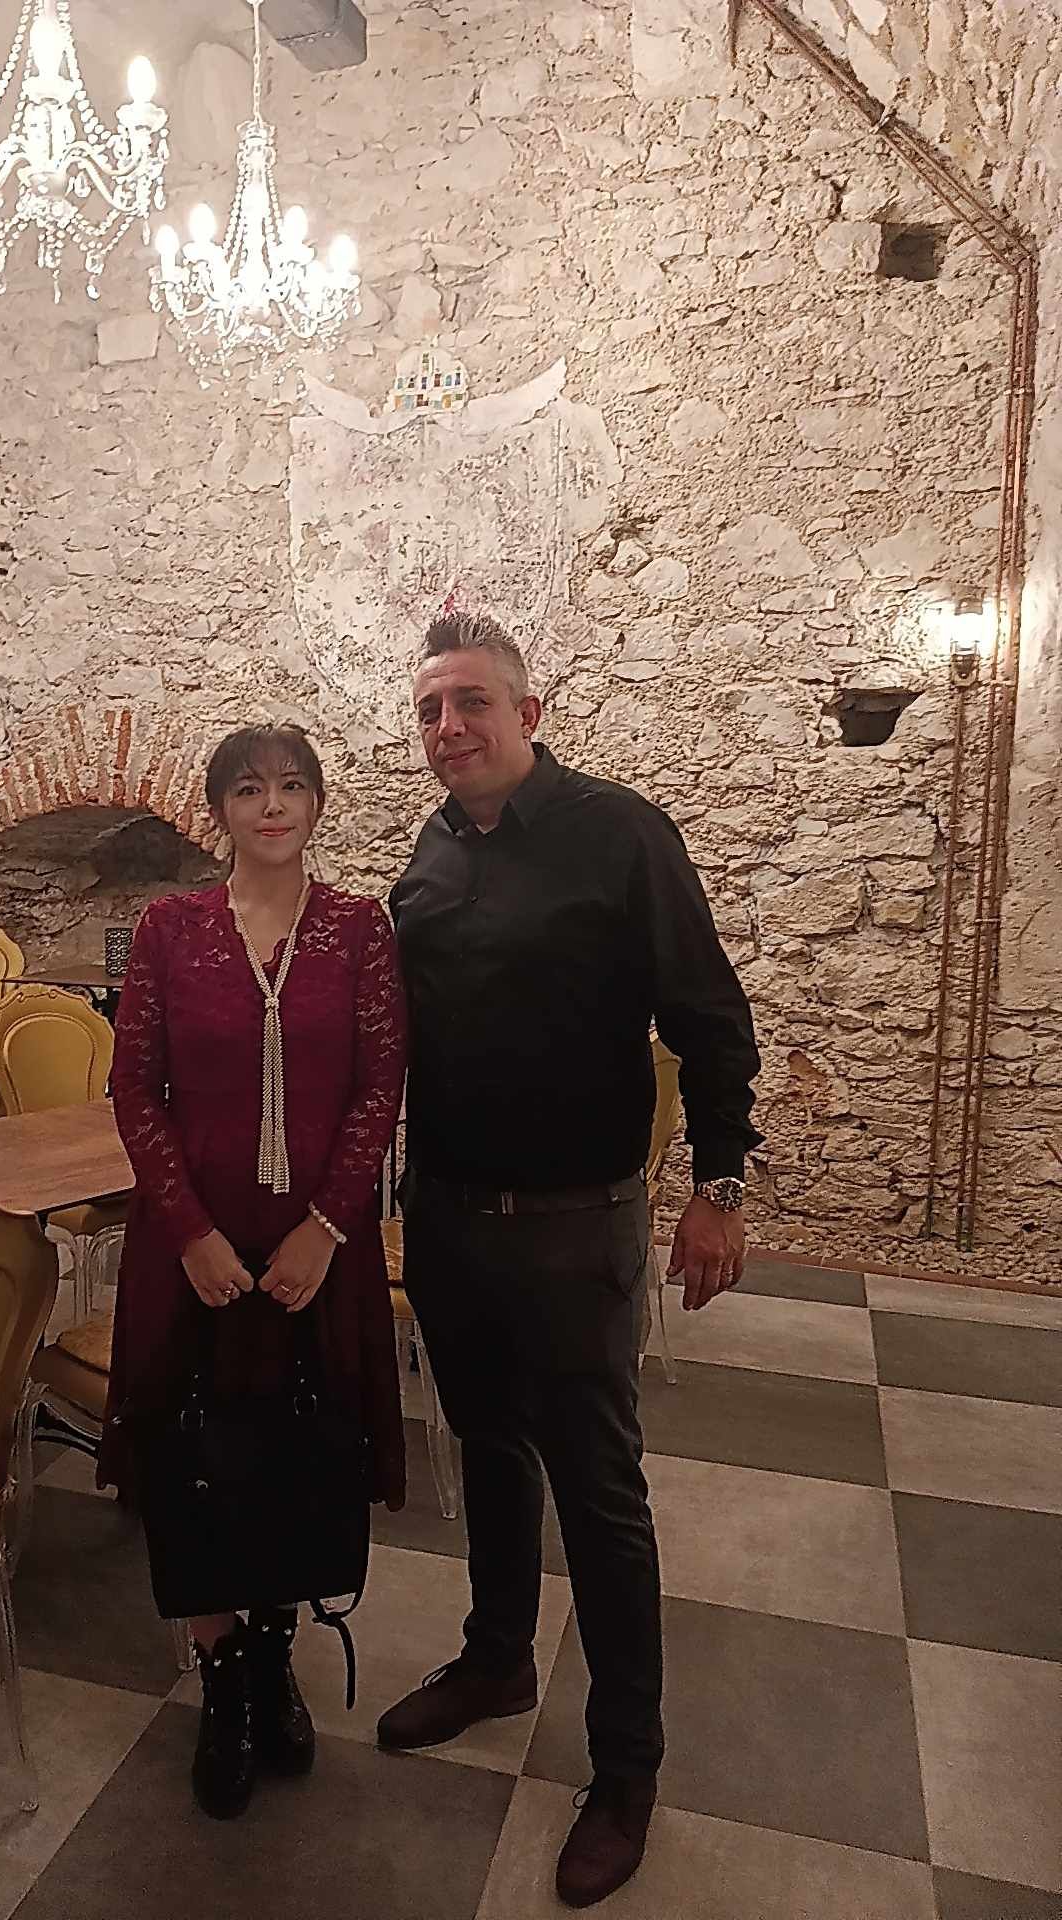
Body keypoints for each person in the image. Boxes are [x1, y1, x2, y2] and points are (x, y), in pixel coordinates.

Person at [382, 611, 762, 1910]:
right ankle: (497, 1659)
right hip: (450, 1217)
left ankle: (626, 1769)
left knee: (600, 1496)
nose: (449, 728)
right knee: (489, 1453)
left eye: (472, 702)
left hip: (574, 1225)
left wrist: (717, 1188)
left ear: (529, 714)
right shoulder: (430, 856)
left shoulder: (622, 835)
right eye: (430, 709)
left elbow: (711, 1019)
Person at [100, 722, 407, 1822]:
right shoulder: (169, 929)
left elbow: (380, 1086)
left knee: (294, 1457)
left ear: (317, 804)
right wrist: (189, 1231)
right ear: (218, 812)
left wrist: (326, 1227)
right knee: (195, 1461)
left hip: (316, 1257)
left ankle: (274, 1653)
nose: (270, 806)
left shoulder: (358, 930)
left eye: (289, 786)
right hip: (195, 1255)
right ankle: (221, 1676)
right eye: (246, 789)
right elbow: (134, 1088)